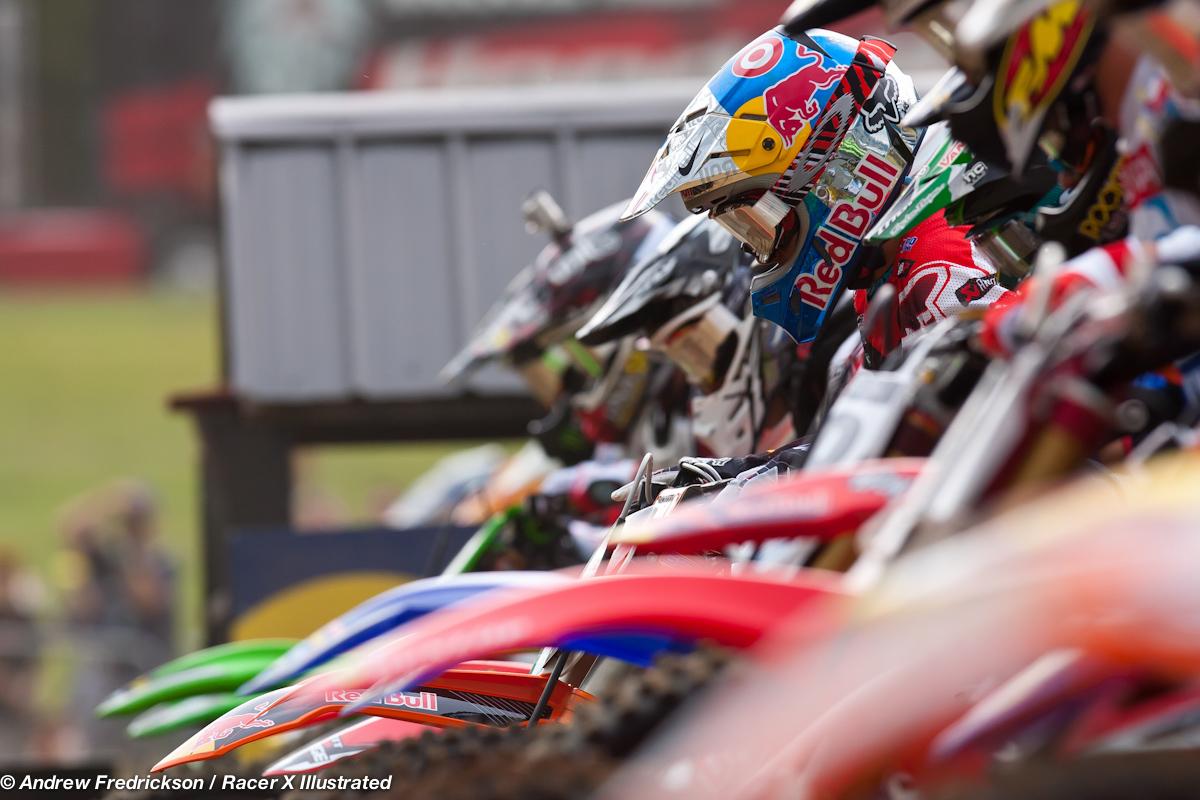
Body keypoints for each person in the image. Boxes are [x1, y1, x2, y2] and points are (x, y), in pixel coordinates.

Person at [620, 27, 1008, 368]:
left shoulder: (940, 266)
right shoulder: (890, 271)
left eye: (756, 220)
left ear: (830, 169)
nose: (753, 249)